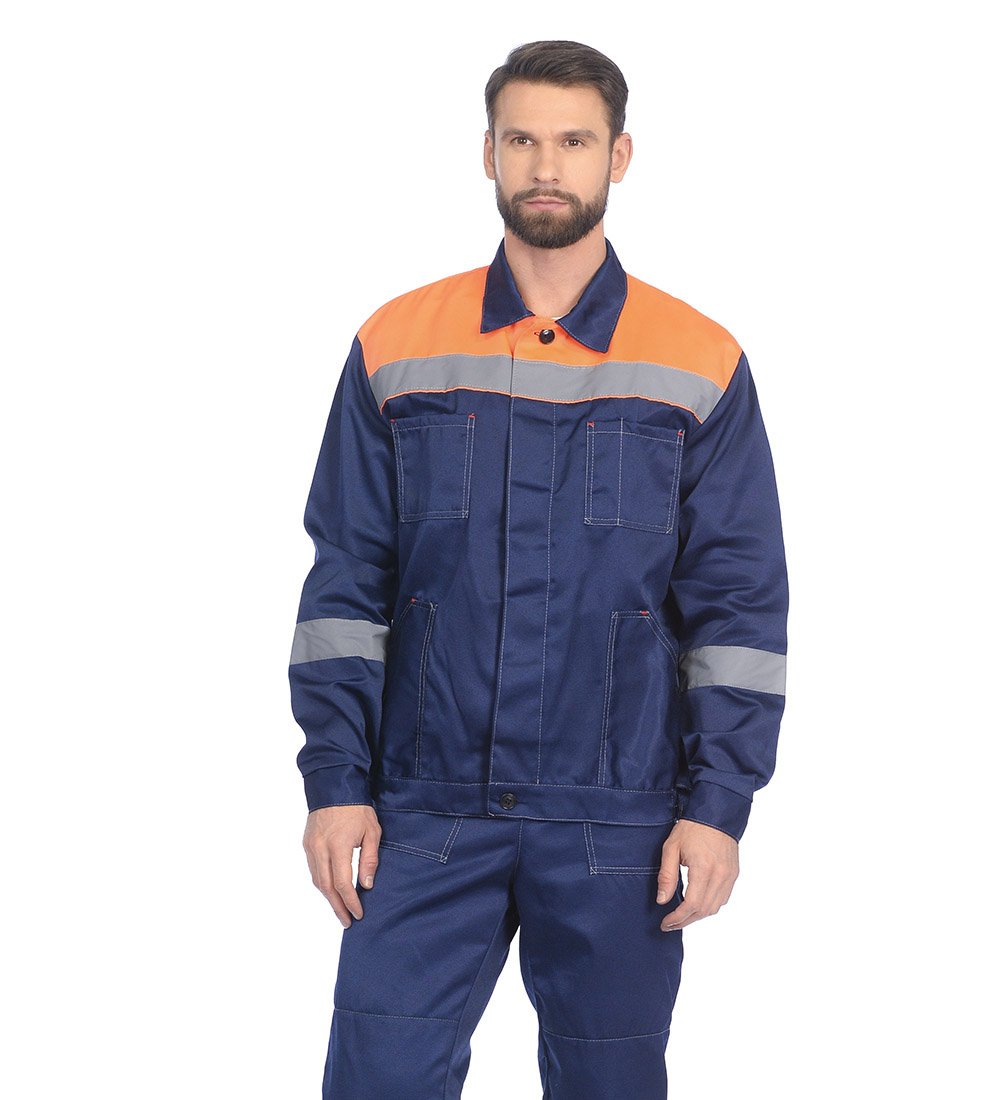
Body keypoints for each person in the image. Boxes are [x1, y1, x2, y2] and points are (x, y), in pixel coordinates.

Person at [288, 39, 788, 1099]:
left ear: (619, 156)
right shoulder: (396, 342)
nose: (546, 165)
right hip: (424, 812)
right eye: (521, 140)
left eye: (573, 141)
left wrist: (718, 804)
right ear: (487, 153)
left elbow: (738, 607)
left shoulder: (698, 359)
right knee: (377, 1079)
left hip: (620, 822)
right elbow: (346, 582)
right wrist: (334, 784)